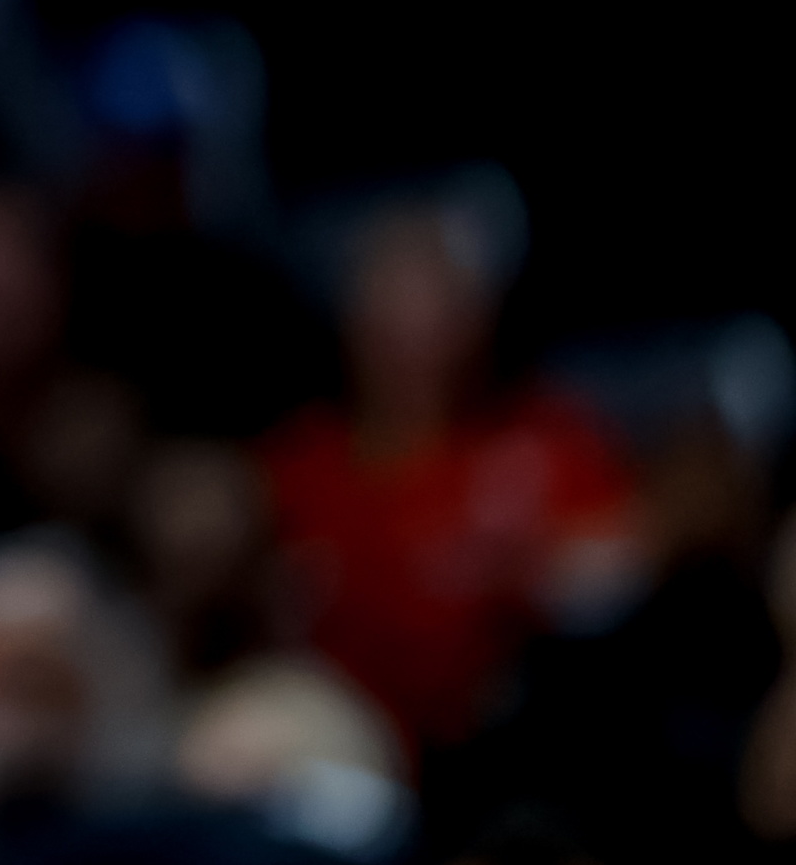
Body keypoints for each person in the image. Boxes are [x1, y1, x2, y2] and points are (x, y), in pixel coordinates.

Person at [260, 190, 633, 753]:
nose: (417, 332)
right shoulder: (298, 465)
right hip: (340, 741)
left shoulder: (547, 442)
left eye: (437, 301)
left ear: (479, 317)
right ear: (353, 321)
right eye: (393, 303)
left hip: (513, 741)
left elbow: (617, 564)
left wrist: (535, 570)